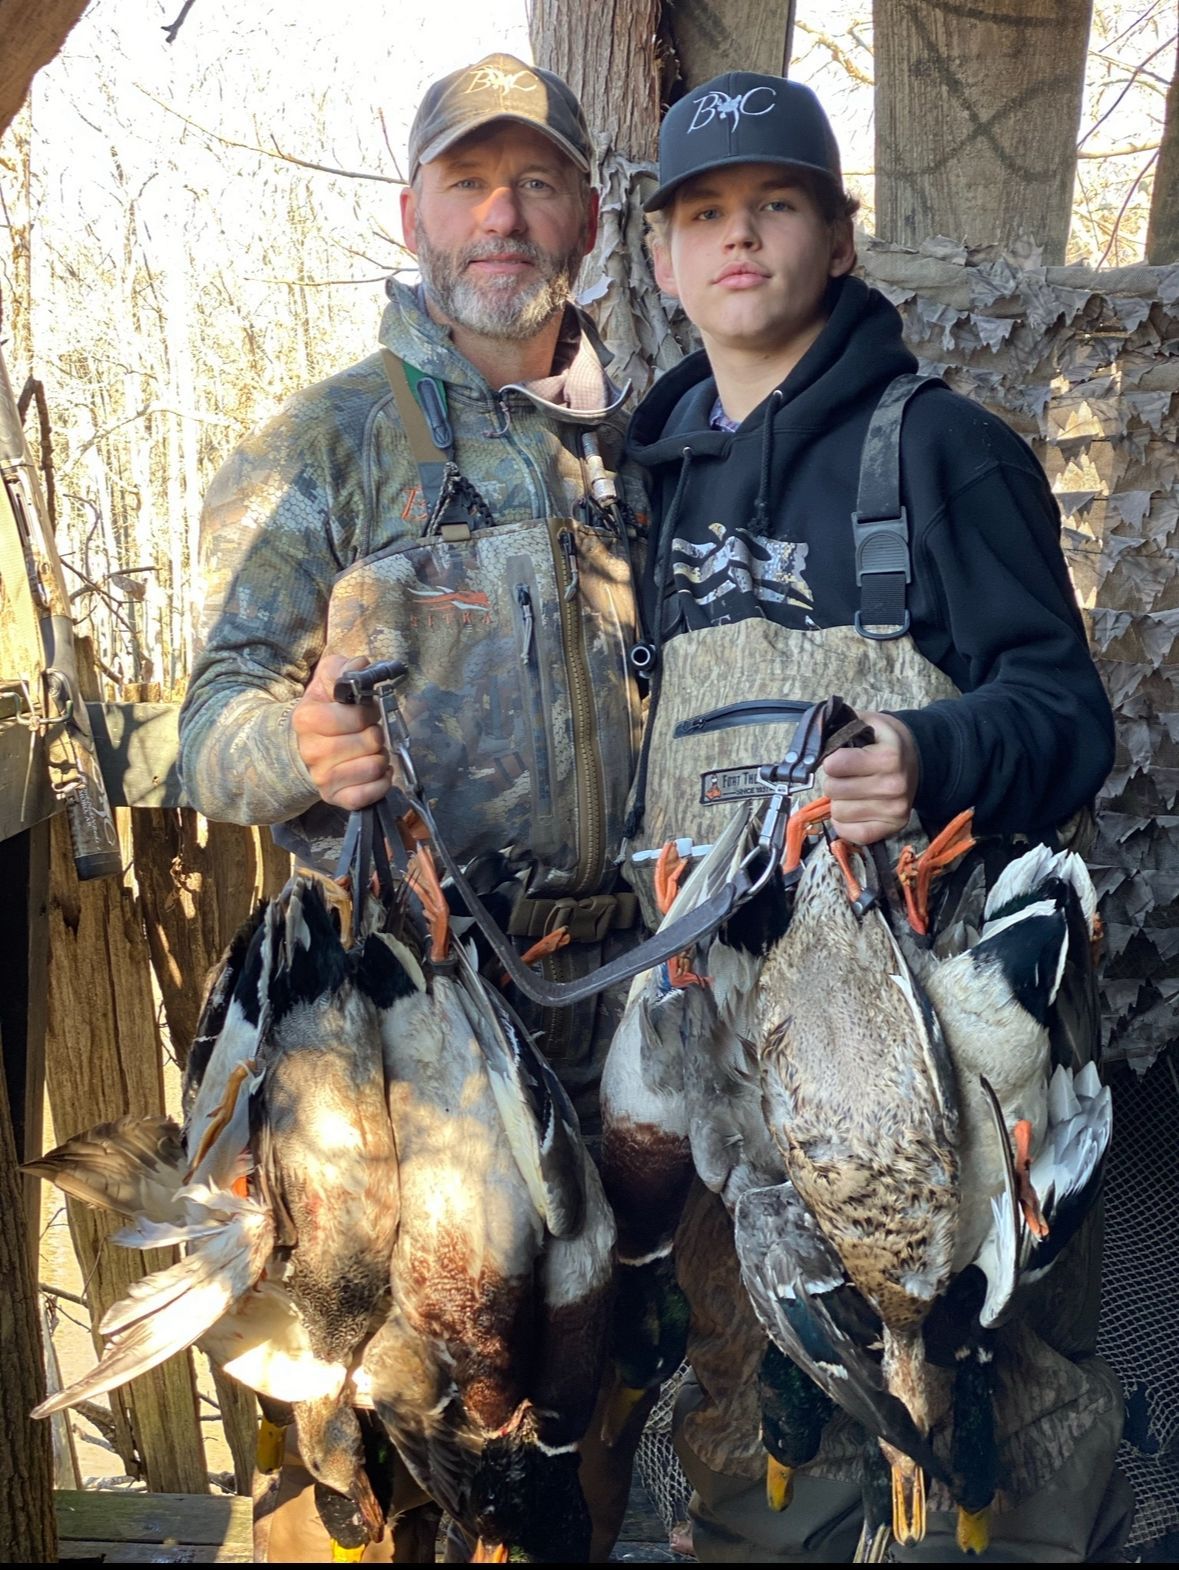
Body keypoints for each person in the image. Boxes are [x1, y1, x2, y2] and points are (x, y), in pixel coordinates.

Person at [620, 71, 1133, 1563]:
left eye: (774, 204)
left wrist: (932, 751)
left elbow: (1067, 714)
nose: (737, 238)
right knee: (753, 1425)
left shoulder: (941, 452)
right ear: (661, 258)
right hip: (737, 1070)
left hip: (950, 1063)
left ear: (838, 238)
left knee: (998, 1432)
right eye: (702, 214)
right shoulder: (650, 492)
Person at [178, 52, 651, 1562]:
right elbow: (201, 727)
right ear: (412, 214)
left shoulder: (654, 447)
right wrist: (294, 748)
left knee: (578, 1434)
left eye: (532, 183)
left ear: (584, 214)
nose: (499, 216)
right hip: (401, 1042)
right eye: (466, 182)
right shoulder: (329, 441)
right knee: (373, 1441)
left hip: (622, 1008)